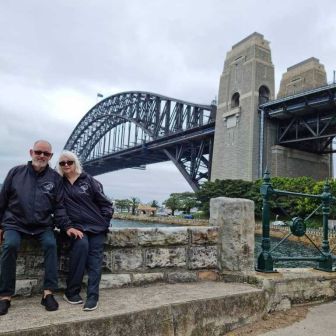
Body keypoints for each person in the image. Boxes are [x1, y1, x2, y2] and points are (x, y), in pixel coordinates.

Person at [0, 140, 72, 315]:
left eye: (46, 154)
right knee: (10, 245)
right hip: (15, 223)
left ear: (51, 156)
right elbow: (2, 200)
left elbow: (59, 207)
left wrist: (68, 226)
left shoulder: (55, 178)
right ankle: (5, 296)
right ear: (31, 152)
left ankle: (48, 293)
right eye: (38, 152)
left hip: (42, 225)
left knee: (51, 245)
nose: (41, 156)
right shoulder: (16, 172)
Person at [57, 150, 113, 311]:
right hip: (75, 228)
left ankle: (93, 296)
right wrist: (67, 226)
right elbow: (59, 209)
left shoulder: (89, 181)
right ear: (59, 166)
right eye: (62, 163)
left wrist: (104, 223)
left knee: (95, 260)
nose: (66, 165)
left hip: (96, 227)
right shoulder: (59, 184)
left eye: (70, 162)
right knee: (81, 247)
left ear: (76, 163)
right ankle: (71, 291)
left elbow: (106, 204)